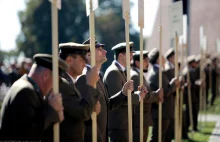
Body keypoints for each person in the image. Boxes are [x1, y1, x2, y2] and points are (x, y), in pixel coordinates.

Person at [76, 38, 134, 142]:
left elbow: (107, 105)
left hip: (101, 136)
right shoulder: (85, 77)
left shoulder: (98, 75)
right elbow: (84, 113)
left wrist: (123, 93)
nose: (105, 51)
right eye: (99, 49)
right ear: (88, 55)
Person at [0, 54, 67, 141]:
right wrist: (52, 111)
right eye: (56, 81)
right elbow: (28, 134)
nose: (55, 86)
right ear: (46, 75)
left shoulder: (26, 87)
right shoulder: (25, 91)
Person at [44, 42, 101, 142]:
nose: (85, 64)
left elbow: (80, 109)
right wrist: (91, 84)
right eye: (82, 59)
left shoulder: (69, 82)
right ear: (70, 60)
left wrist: (91, 106)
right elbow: (83, 113)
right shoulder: (61, 83)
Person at [103, 42, 147, 142]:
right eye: (130, 55)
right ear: (121, 55)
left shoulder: (120, 71)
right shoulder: (113, 72)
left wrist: (137, 94)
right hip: (119, 123)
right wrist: (139, 96)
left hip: (123, 123)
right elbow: (120, 99)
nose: (132, 58)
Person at [146, 48, 179, 142]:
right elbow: (166, 92)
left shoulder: (159, 71)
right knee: (158, 138)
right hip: (161, 111)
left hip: (165, 111)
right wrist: (173, 83)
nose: (164, 57)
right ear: (157, 59)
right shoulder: (157, 73)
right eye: (161, 56)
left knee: (164, 137)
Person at [131, 51, 163, 142]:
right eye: (145, 60)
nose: (147, 63)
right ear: (137, 62)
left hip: (143, 118)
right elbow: (143, 97)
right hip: (139, 119)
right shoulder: (135, 76)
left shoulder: (139, 75)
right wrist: (157, 94)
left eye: (148, 60)